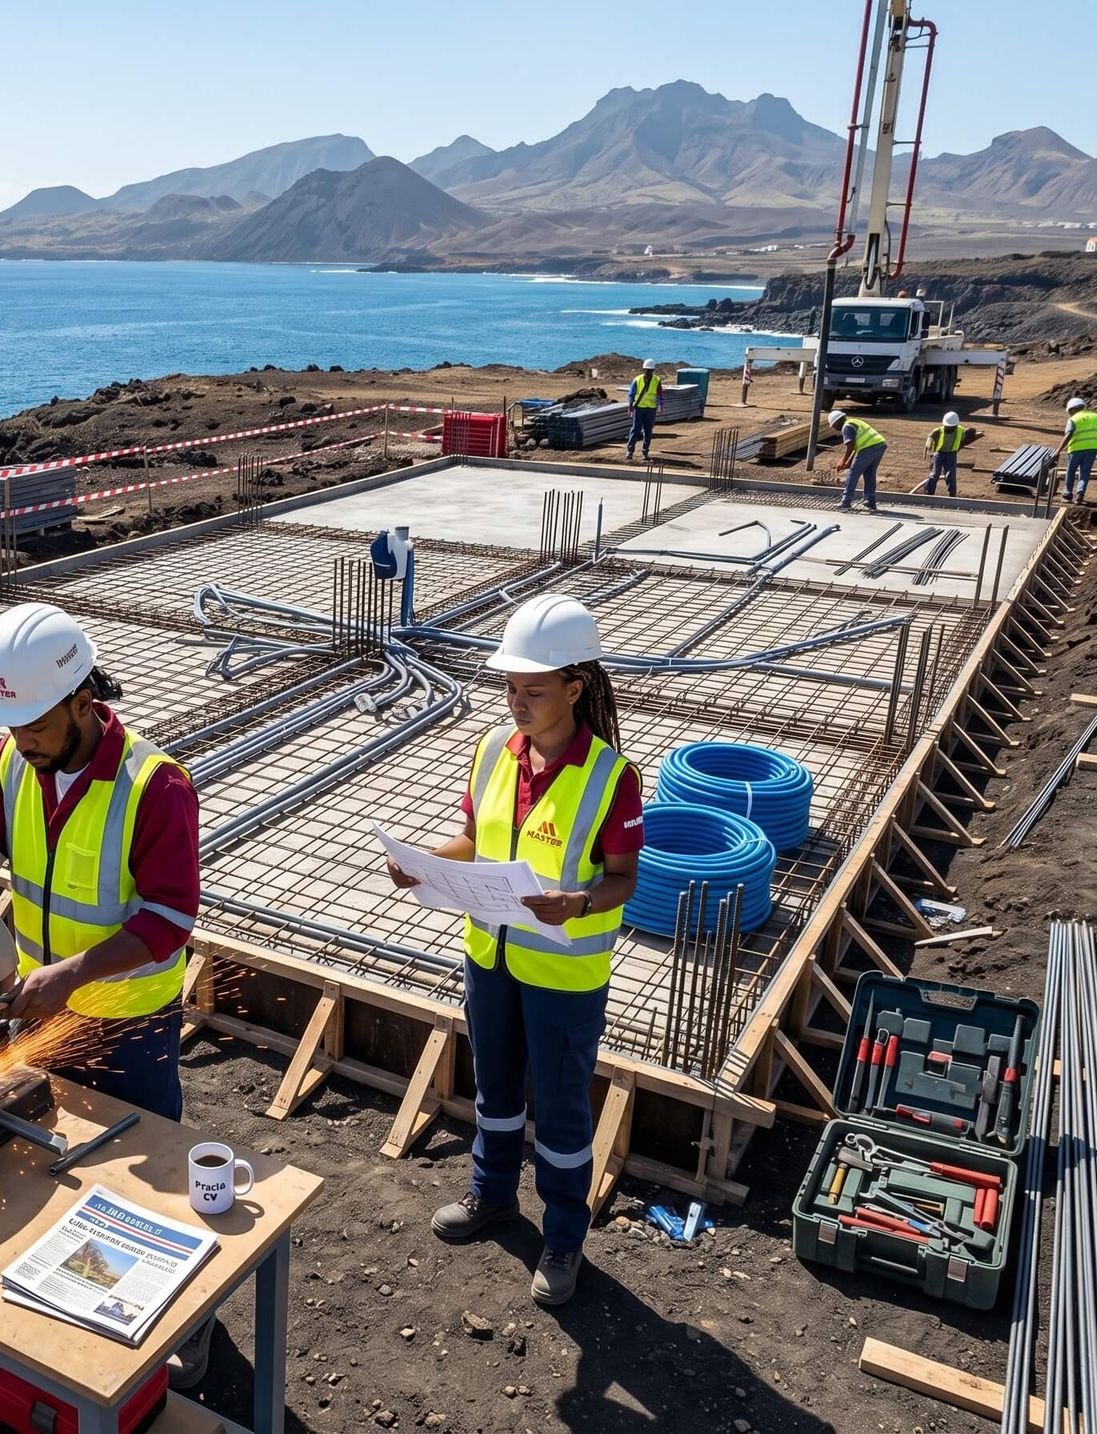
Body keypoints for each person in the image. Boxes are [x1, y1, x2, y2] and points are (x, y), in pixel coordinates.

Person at [0, 602, 212, 1381]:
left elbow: (170, 916)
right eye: (9, 725)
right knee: (52, 1171)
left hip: (127, 1024)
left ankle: (188, 1332)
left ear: (83, 699)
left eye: (33, 723)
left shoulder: (154, 784)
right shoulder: (17, 760)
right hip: (40, 1013)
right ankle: (83, 1323)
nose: (20, 740)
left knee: (151, 1189)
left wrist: (73, 975)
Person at [386, 595, 641, 1308]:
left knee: (559, 1110)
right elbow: (475, 839)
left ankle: (564, 1235)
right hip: (490, 959)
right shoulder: (493, 750)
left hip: (564, 975)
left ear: (574, 688)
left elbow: (625, 877)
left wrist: (579, 902)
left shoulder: (611, 777)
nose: (517, 702)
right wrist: (426, 860)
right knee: (495, 1090)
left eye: (533, 690)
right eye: (509, 688)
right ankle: (493, 1195)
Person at [829, 408, 887, 512]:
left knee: (853, 473)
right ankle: (870, 501)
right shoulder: (853, 421)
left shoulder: (846, 427)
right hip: (880, 445)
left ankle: (845, 501)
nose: (834, 428)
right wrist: (849, 462)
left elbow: (850, 446)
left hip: (869, 448)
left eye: (833, 425)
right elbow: (857, 448)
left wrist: (843, 461)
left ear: (837, 421)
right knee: (869, 473)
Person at [1052, 396, 1097, 505]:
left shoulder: (1073, 419)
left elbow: (1069, 434)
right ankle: (1080, 494)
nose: (1069, 414)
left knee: (1071, 471)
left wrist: (1058, 451)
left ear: (1073, 409)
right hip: (1092, 448)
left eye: (1069, 411)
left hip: (1076, 449)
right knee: (1085, 472)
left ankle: (1067, 495)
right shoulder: (1095, 416)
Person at [625, 359, 662, 461]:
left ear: (653, 370)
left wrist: (660, 405)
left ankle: (645, 452)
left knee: (648, 431)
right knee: (635, 430)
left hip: (650, 409)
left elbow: (659, 394)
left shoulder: (657, 380)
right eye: (646, 370)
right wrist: (630, 408)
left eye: (650, 370)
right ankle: (630, 451)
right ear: (643, 369)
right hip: (639, 408)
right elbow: (631, 395)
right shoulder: (637, 380)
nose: (648, 372)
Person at [923, 411, 964, 497]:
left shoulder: (960, 430)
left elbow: (963, 439)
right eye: (947, 426)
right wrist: (929, 443)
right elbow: (931, 436)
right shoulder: (939, 431)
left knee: (951, 475)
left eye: (950, 427)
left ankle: (952, 495)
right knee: (935, 474)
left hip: (951, 455)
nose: (948, 428)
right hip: (939, 454)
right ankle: (928, 494)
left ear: (955, 426)